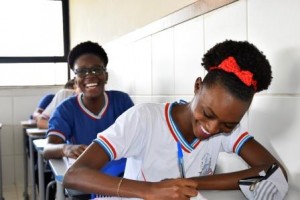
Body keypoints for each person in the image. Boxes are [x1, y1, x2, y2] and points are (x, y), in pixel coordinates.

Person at [63, 40, 288, 199]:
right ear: (197, 86)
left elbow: (272, 170)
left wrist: (193, 183)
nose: (212, 128)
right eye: (208, 114)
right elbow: (74, 175)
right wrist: (151, 191)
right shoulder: (144, 119)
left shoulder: (228, 128)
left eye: (227, 125)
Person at [43, 41, 134, 177]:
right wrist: (66, 148)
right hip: (86, 180)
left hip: (123, 175)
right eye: (82, 71)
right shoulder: (66, 109)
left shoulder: (122, 101)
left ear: (106, 76)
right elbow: (48, 149)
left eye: (96, 69)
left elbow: (138, 139)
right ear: (76, 80)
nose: (90, 76)